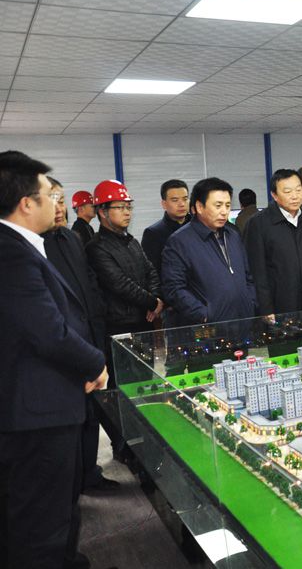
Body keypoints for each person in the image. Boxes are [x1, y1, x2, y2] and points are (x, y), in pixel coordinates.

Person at [0, 151, 108, 569]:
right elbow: (49, 332)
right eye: (50, 195)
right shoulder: (10, 254)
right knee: (39, 520)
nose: (56, 203)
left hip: (47, 401)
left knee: (59, 507)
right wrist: (95, 364)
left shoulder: (26, 246)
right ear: (26, 203)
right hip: (35, 414)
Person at [42, 178, 117, 492]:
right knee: (67, 423)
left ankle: (89, 474)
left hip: (89, 339)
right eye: (51, 200)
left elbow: (89, 283)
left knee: (90, 413)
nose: (58, 208)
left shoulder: (71, 239)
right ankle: (70, 484)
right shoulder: (32, 247)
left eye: (61, 200)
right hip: (62, 350)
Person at [162, 177, 256, 326]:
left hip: (243, 321)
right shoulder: (180, 241)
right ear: (200, 207)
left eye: (227, 205)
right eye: (218, 205)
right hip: (209, 327)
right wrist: (204, 315)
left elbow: (248, 276)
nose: (224, 212)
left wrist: (250, 302)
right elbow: (174, 288)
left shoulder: (233, 235)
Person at [244, 169, 302, 317]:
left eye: (298, 190)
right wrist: (265, 308)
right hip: (280, 305)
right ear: (274, 195)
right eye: (287, 191)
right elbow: (256, 271)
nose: (294, 196)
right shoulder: (258, 224)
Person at [86, 179, 163, 338]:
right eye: (120, 207)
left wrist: (156, 298)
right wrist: (153, 303)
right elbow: (121, 284)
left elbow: (150, 271)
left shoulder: (132, 241)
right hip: (119, 327)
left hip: (145, 320)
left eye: (129, 207)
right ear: (103, 212)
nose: (127, 212)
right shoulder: (96, 247)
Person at [141, 178, 190, 278]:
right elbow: (152, 273)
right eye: (175, 200)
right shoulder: (153, 233)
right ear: (164, 204)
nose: (182, 204)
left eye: (185, 199)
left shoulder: (199, 226)